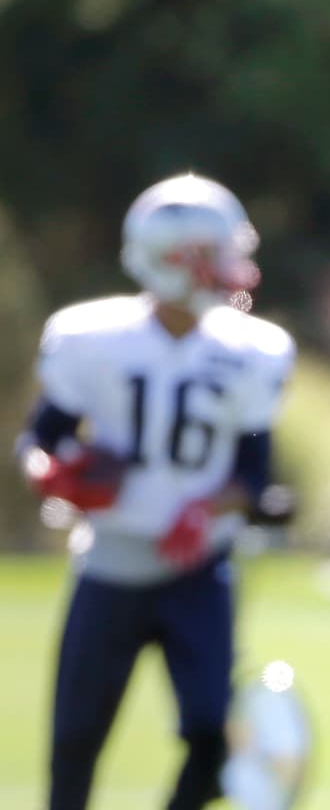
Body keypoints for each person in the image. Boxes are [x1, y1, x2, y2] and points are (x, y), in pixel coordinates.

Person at [16, 172, 296, 810]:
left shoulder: (252, 348)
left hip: (198, 570)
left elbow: (253, 476)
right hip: (110, 564)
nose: (232, 267)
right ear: (176, 261)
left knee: (208, 735)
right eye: (217, 252)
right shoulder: (93, 338)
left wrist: (206, 509)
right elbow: (41, 439)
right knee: (75, 744)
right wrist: (53, 475)